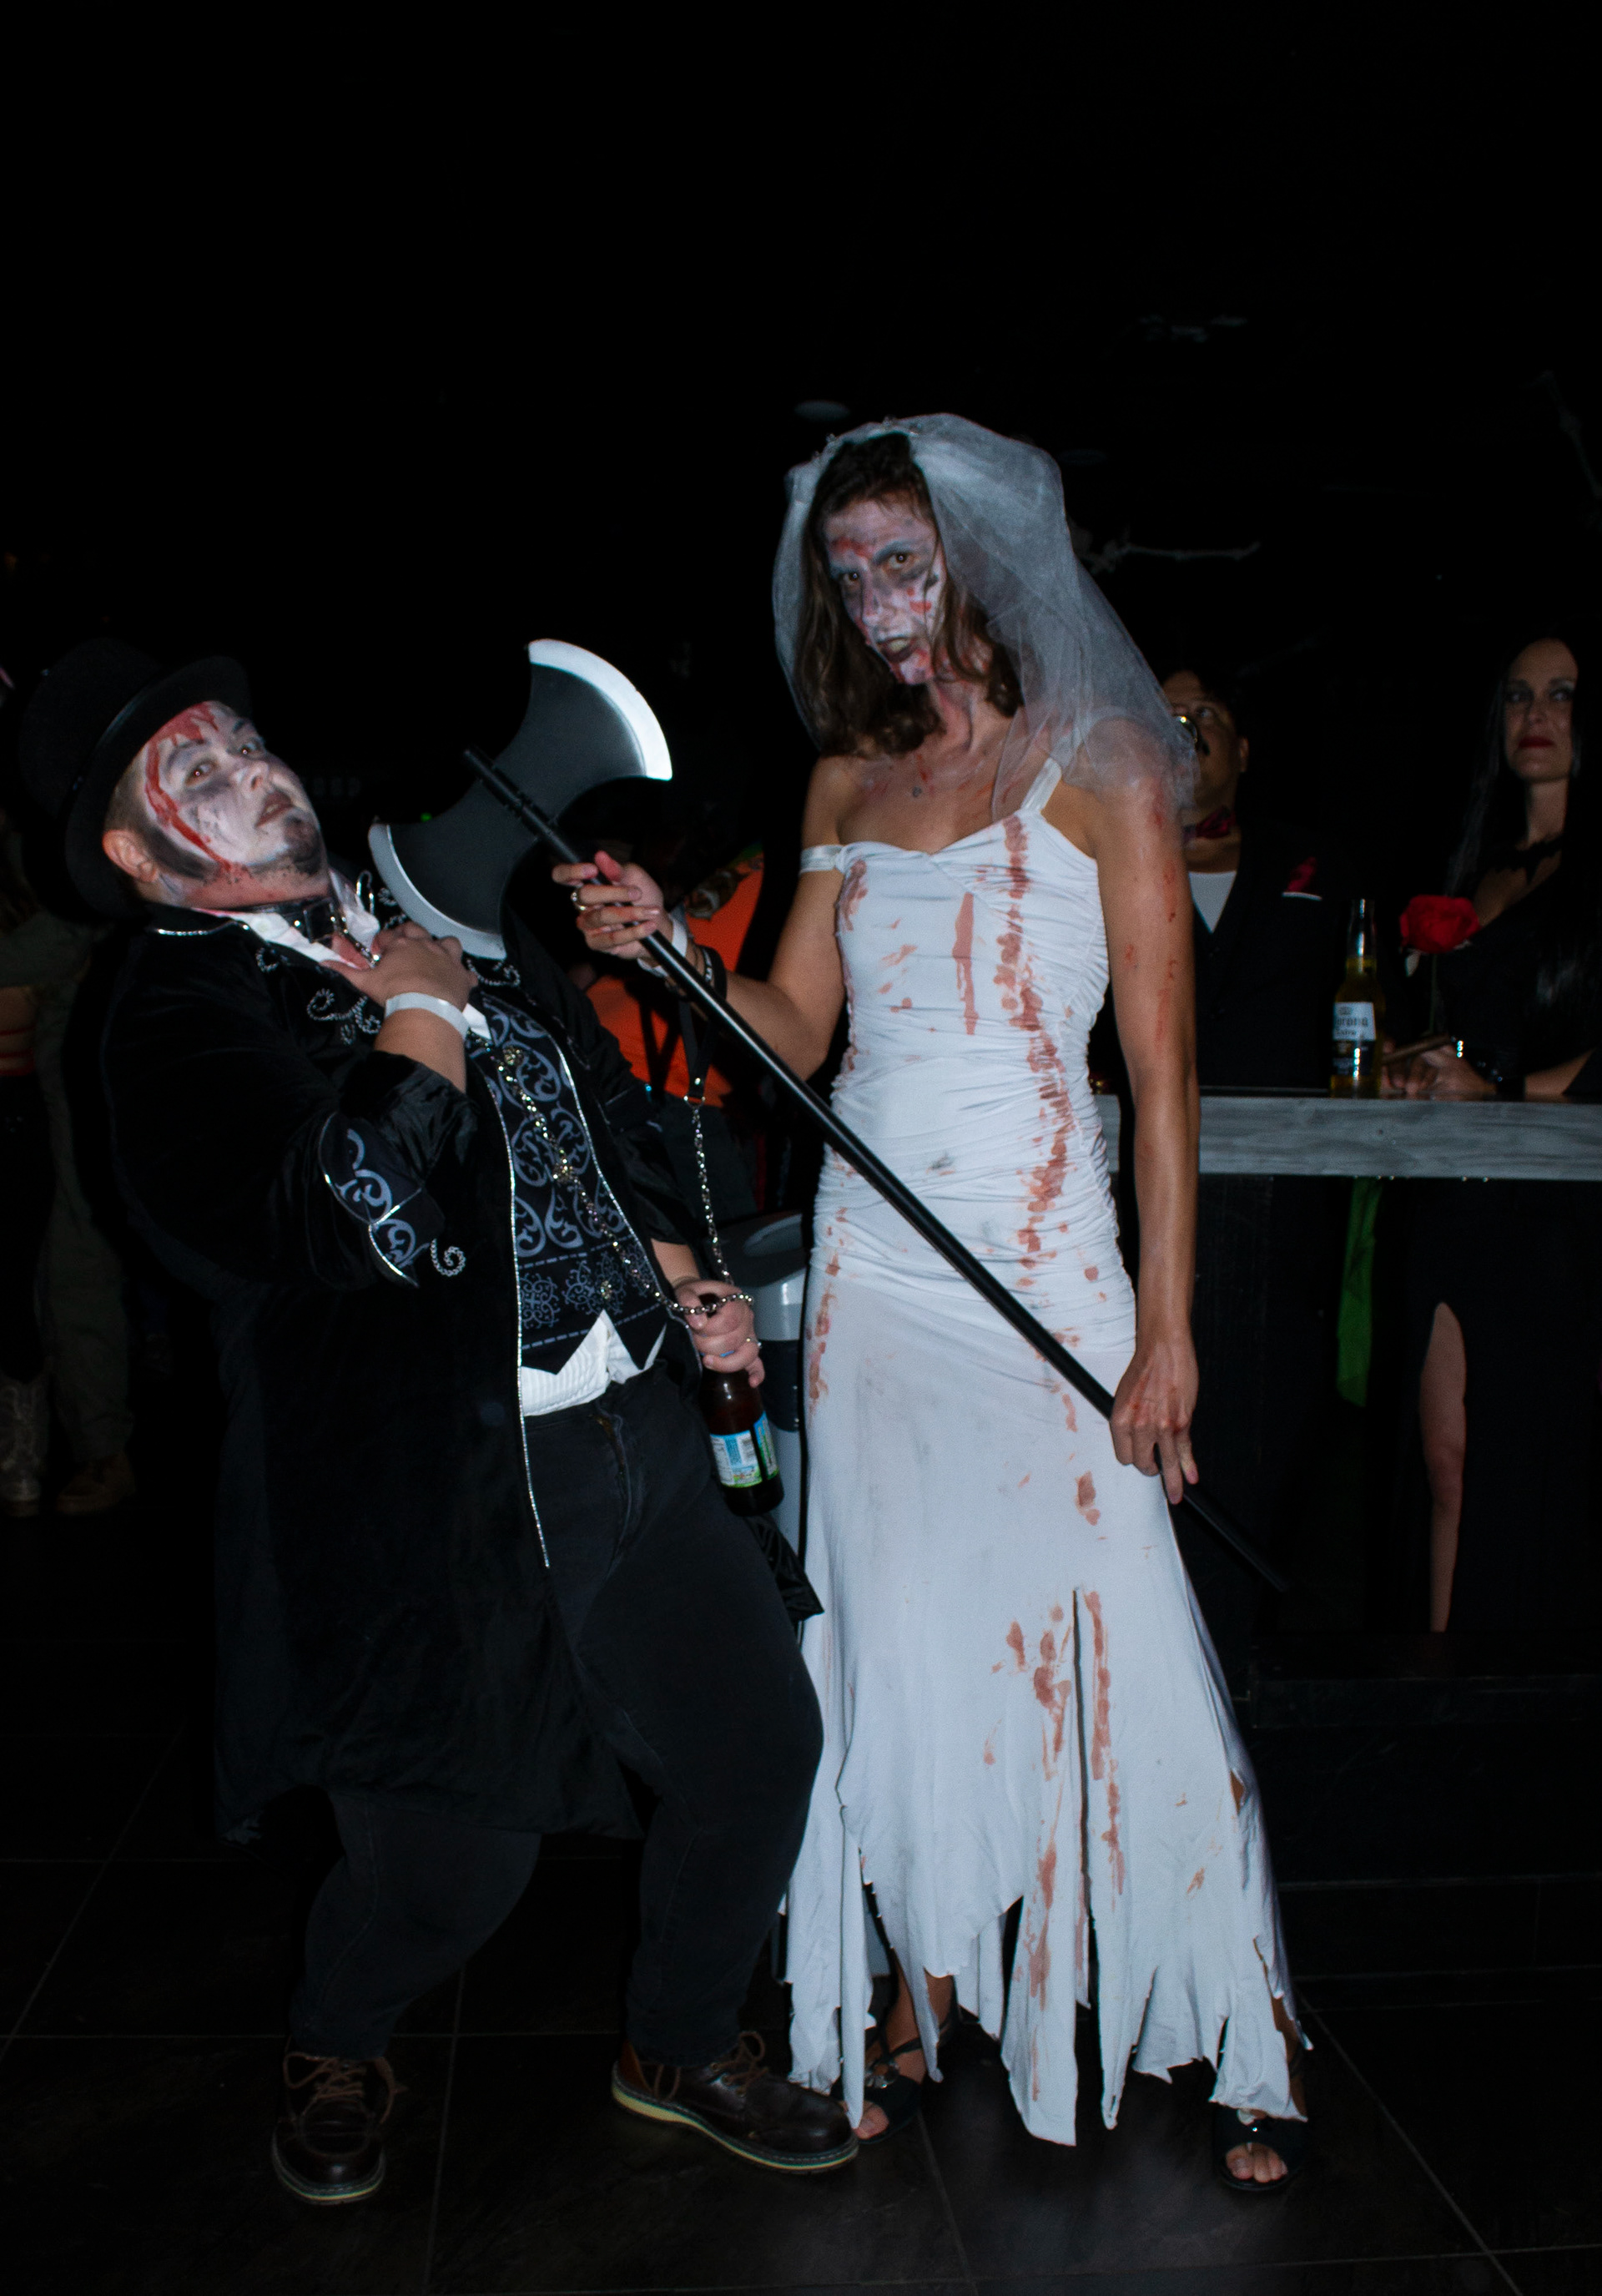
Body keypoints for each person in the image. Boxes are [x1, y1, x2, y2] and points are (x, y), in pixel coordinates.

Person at [562, 418, 1307, 2191]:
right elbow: (796, 1031)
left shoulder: (1107, 764)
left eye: (905, 562)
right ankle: (924, 1990)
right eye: (852, 574)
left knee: (1114, 1630)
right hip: (880, 1277)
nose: (881, 604)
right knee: (894, 1642)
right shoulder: (842, 785)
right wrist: (672, 947)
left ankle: (1222, 2016)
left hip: (1046, 1265)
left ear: (981, 560)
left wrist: (1168, 1329)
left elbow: (1165, 1074)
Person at [18, 638, 854, 2204]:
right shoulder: (169, 1007)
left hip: (631, 1433)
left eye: (246, 741)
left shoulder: (431, 919)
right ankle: (337, 2034)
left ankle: (677, 2040)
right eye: (196, 773)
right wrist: (419, 1016)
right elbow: (340, 1220)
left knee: (758, 1751)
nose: (252, 772)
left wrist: (681, 1273)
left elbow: (591, 1115)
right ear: (135, 853)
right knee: (449, 1872)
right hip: (428, 1498)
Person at [1391, 632, 1601, 1630]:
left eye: (1561, 694)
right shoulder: (1479, 868)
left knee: (1526, 1469)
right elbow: (1471, 1036)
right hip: (1454, 1191)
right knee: (1447, 1463)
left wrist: (1499, 1090)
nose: (1536, 714)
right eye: (1518, 696)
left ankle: (1517, 1697)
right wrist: (1421, 1064)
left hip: (1554, 1205)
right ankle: (1438, 1692)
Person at [1150, 669, 1348, 1682]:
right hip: (1150, 1205)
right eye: (1165, 717)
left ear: (1243, 749)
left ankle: (1256, 1674)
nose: (1185, 731)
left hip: (1286, 1212)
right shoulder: (1111, 853)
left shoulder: (1318, 863)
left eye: (1206, 718)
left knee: (1273, 1441)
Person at [0, 814, 138, 1516]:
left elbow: (72, 930)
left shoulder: (43, 827)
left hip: (59, 1073)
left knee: (75, 1257)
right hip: (40, 1077)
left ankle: (101, 1449)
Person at [0, 821, 56, 1516]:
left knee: (12, 1289)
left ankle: (22, 1457)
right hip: (18, 1112)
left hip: (14, 1112)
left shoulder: (31, 923)